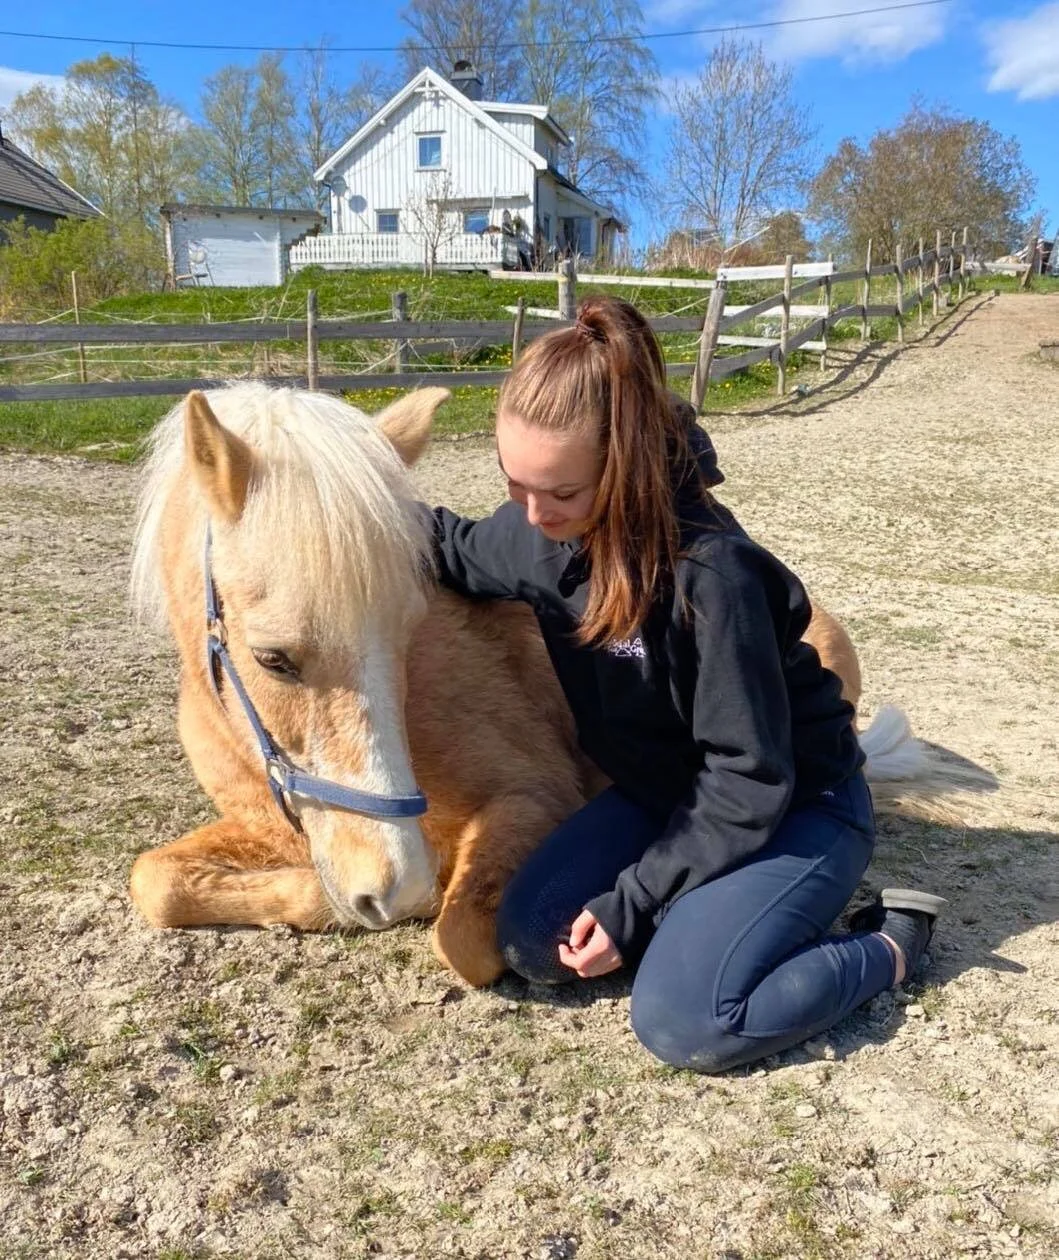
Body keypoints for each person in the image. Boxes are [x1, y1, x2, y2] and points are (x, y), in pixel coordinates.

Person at [429, 296, 945, 1074]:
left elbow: (749, 778)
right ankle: (697, 914)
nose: (532, 515)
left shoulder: (713, 578)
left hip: (792, 806)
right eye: (513, 486)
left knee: (688, 1020)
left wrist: (632, 901)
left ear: (622, 461)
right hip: (661, 797)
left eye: (561, 493)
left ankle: (889, 944)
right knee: (532, 940)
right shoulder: (535, 534)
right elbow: (450, 544)